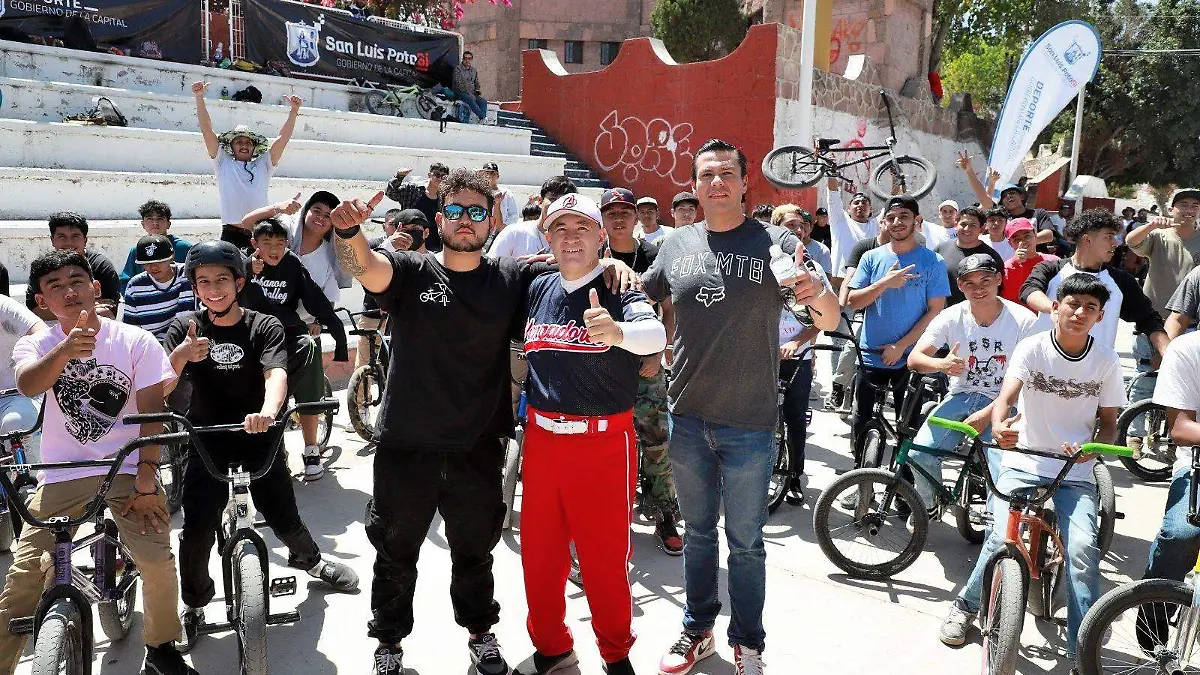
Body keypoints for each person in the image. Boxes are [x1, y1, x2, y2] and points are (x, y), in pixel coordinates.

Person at [325, 169, 636, 675]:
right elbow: (367, 267)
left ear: (493, 220)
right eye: (455, 211)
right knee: (395, 550)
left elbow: (572, 266)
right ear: (440, 219)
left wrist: (612, 263)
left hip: (478, 445)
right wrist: (347, 231)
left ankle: (480, 633)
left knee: (475, 550)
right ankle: (389, 643)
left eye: (476, 211)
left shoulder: (512, 279)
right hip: (407, 444)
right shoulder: (411, 270)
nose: (465, 220)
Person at [640, 139, 839, 675]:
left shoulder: (775, 242)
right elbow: (642, 292)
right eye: (707, 174)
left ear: (745, 182)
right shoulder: (677, 243)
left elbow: (828, 317)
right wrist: (613, 272)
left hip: (750, 423)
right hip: (687, 417)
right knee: (698, 535)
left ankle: (748, 643)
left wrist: (817, 292)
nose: (717, 183)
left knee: (746, 543)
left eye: (727, 173)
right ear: (694, 184)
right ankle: (697, 629)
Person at [3, 249, 197, 675]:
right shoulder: (37, 343)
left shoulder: (135, 340)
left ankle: (162, 647)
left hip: (128, 468)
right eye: (55, 286)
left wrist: (147, 478)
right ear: (41, 301)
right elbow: (29, 383)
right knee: (24, 576)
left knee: (156, 559)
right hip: (63, 473)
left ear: (95, 288)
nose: (69, 291)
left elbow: (152, 413)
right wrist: (65, 351)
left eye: (77, 281)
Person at [164, 241, 358, 651]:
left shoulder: (263, 325)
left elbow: (276, 374)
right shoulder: (184, 327)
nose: (213, 289)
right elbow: (162, 386)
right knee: (197, 528)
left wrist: (269, 412)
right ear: (194, 287)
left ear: (239, 282)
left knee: (283, 514)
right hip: (206, 439)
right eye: (203, 282)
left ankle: (312, 561)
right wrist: (181, 356)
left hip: (258, 432)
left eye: (222, 279)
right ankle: (194, 604)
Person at [517, 193, 666, 675]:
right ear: (547, 238)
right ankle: (552, 647)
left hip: (602, 442)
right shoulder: (537, 286)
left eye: (582, 227)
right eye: (560, 228)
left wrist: (618, 333)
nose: (571, 237)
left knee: (603, 560)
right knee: (540, 556)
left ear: (601, 235)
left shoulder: (618, 285)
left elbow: (656, 336)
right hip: (542, 440)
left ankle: (616, 654)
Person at [937, 274, 1124, 659]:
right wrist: (1000, 426)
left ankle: (1082, 648)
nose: (1080, 313)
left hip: (1073, 470)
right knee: (999, 539)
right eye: (1073, 304)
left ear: (1100, 316)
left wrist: (1093, 450)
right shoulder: (1033, 347)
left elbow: (1109, 422)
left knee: (1082, 550)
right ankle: (966, 606)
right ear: (1056, 307)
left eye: (1090, 308)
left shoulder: (1106, 361)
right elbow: (1006, 399)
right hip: (1023, 459)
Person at [905, 254, 1038, 516]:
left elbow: (1030, 379)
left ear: (999, 279)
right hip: (961, 395)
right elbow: (914, 359)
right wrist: (941, 364)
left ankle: (996, 528)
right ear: (960, 286)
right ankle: (930, 504)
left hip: (1005, 402)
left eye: (985, 281)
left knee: (999, 472)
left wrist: (988, 414)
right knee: (919, 453)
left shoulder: (1024, 320)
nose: (978, 289)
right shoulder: (951, 316)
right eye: (969, 283)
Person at [599, 187, 682, 555]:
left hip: (644, 364)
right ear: (602, 218)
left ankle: (664, 513)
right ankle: (608, 516)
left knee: (655, 441)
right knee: (604, 446)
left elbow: (670, 310)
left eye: (625, 212)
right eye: (611, 212)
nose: (618, 218)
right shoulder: (592, 254)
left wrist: (659, 350)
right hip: (601, 365)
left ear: (636, 217)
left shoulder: (652, 255)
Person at [845, 195, 949, 466]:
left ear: (917, 221)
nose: (897, 222)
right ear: (883, 223)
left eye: (904, 216)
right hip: (870, 354)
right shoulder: (871, 257)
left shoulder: (933, 261)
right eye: (890, 218)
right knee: (861, 421)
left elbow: (935, 310)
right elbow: (853, 301)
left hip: (910, 357)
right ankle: (861, 476)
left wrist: (901, 346)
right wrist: (883, 284)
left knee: (908, 426)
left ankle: (902, 482)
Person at [244, 218, 349, 479]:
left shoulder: (292, 263)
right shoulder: (242, 265)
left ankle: (311, 448)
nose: (274, 250)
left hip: (288, 332)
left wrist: (336, 332)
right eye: (266, 243)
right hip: (253, 336)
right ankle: (273, 449)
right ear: (254, 243)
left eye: (279, 243)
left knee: (309, 348)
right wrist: (246, 270)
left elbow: (313, 297)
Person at [1020, 209, 1167, 355]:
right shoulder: (1051, 268)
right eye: (1109, 237)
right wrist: (1054, 309)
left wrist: (1167, 354)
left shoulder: (1121, 281)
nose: (1116, 243)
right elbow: (1029, 290)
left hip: (1096, 367)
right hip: (1045, 361)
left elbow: (1148, 318)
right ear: (1087, 240)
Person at [192, 81, 301, 250]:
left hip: (259, 234)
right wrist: (199, 98)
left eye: (248, 142)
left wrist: (294, 111)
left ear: (254, 147)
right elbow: (207, 131)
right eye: (239, 142)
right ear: (231, 146)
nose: (244, 145)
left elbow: (282, 139)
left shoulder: (264, 164)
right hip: (230, 234)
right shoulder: (222, 161)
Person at [1123, 188, 1200, 415]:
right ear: (1171, 209)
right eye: (1183, 204)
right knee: (1144, 384)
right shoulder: (1159, 236)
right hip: (1152, 323)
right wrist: (1152, 225)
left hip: (1190, 326)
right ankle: (1135, 432)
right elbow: (1131, 241)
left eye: (1195, 206)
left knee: (1182, 389)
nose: (1189, 210)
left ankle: (1171, 432)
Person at [26, 212, 121, 321]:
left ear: (85, 240)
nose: (69, 242)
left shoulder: (101, 266)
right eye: (61, 237)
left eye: (75, 236)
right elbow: (36, 312)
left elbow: (108, 312)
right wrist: (90, 305)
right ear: (52, 240)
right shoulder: (42, 269)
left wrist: (58, 307)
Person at [122, 234, 198, 343]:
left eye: (160, 261)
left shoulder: (188, 275)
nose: (153, 267)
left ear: (171, 257)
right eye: (147, 263)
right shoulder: (134, 287)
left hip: (189, 341)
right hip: (153, 346)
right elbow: (131, 331)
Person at [0, 294, 46, 462]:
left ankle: (28, 473)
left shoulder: (3, 305)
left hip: (17, 395)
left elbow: (42, 333)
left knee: (16, 421)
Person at [935, 206, 1004, 306]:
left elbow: (1000, 291)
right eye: (963, 224)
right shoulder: (941, 250)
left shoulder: (991, 257)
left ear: (982, 228)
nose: (967, 229)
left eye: (973, 225)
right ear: (955, 225)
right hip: (947, 312)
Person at [120, 199, 193, 291]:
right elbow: (126, 282)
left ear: (169, 224)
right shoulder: (137, 250)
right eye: (150, 219)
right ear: (143, 224)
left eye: (160, 219)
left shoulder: (184, 248)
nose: (155, 223)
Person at [826, 177, 879, 285]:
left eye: (864, 202)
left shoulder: (876, 225)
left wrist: (896, 178)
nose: (860, 205)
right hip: (841, 280)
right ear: (849, 209)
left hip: (867, 283)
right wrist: (831, 173)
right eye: (856, 202)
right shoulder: (840, 220)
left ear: (870, 209)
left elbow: (891, 204)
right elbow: (833, 195)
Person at [386, 163, 450, 251]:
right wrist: (399, 176)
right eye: (437, 175)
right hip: (410, 239)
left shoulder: (445, 198)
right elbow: (390, 193)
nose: (440, 179)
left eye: (443, 176)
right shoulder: (413, 190)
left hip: (434, 243)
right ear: (429, 175)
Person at [1001, 217, 1059, 309]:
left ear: (1035, 235)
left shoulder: (1053, 261)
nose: (1023, 242)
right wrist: (1015, 265)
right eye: (1017, 240)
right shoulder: (1007, 266)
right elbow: (1009, 296)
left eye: (1027, 236)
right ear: (1010, 244)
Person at [772, 205, 831, 274]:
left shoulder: (815, 267)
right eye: (791, 224)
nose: (799, 230)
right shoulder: (764, 255)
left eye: (802, 226)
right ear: (775, 227)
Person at [449, 50, 488, 123]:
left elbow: (476, 82)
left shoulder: (473, 70)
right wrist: (469, 93)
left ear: (471, 60)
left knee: (483, 102)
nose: (467, 60)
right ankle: (482, 117)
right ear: (463, 59)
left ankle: (482, 119)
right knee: (470, 99)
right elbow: (458, 84)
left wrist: (477, 90)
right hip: (459, 92)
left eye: (469, 58)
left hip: (472, 93)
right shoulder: (458, 69)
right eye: (465, 58)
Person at [479, 162, 520, 227]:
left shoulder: (506, 193)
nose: (489, 176)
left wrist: (504, 227)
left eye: (492, 173)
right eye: (486, 173)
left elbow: (513, 214)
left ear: (497, 176)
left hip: (501, 229)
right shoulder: (479, 192)